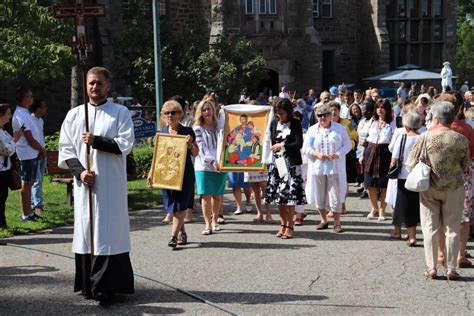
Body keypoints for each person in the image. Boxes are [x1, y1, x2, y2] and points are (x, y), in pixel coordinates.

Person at [58, 67, 135, 302]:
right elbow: (66, 149)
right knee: (88, 230)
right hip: (86, 186)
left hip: (111, 185)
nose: (94, 87)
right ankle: (89, 285)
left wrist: (96, 141)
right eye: (91, 83)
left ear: (108, 86)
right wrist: (80, 173)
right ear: (86, 86)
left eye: (99, 83)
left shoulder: (120, 112)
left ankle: (109, 287)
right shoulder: (74, 115)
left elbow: (125, 144)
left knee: (110, 231)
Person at [408, 101, 469, 280]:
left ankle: (431, 267)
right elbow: (465, 165)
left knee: (430, 227)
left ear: (435, 117)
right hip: (454, 187)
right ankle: (451, 268)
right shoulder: (460, 138)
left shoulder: (425, 137)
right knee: (452, 227)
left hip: (429, 187)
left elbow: (411, 163)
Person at [148, 100, 198, 249]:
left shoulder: (187, 132)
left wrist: (190, 144)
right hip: (166, 175)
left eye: (173, 112)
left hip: (185, 175)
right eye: (167, 113)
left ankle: (173, 236)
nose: (170, 115)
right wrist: (151, 173)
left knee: (181, 205)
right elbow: (157, 157)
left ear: (180, 115)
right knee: (173, 206)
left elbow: (196, 152)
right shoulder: (161, 134)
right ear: (163, 116)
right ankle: (182, 233)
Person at [304, 104, 351, 233]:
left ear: (330, 116)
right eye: (319, 115)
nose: (322, 118)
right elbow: (306, 147)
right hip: (318, 168)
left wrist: (337, 154)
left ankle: (337, 222)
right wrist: (317, 154)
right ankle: (323, 220)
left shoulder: (340, 129)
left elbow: (348, 145)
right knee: (320, 194)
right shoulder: (312, 130)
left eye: (325, 115)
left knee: (335, 195)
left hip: (335, 167)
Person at [265, 98, 306, 239]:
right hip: (277, 165)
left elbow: (299, 143)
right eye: (277, 113)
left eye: (282, 113)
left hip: (292, 165)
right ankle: (282, 225)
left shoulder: (295, 123)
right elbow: (270, 143)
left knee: (290, 198)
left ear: (288, 112)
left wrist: (282, 145)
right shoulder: (273, 123)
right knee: (280, 198)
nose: (279, 116)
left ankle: (290, 225)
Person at [193, 98, 227, 235]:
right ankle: (207, 223)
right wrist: (212, 162)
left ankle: (215, 220)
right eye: (204, 109)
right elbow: (201, 148)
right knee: (205, 195)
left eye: (209, 109)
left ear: (214, 110)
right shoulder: (197, 128)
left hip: (220, 163)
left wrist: (221, 161)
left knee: (217, 195)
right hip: (203, 165)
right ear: (200, 112)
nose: (207, 112)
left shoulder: (221, 126)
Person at [12, 86, 45, 222]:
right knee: (26, 184)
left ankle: (29, 212)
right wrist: (41, 149)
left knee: (30, 183)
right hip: (27, 154)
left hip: (32, 153)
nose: (32, 98)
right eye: (30, 96)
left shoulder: (25, 113)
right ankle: (26, 214)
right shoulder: (20, 115)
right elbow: (29, 138)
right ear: (25, 98)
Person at [389, 112, 422, 245]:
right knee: (420, 205)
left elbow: (394, 159)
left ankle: (412, 236)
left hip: (404, 176)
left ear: (406, 125)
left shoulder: (402, 138)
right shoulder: (423, 138)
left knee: (406, 205)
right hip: (420, 176)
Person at [360, 99, 396, 221]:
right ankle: (374, 207)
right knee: (370, 182)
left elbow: (394, 141)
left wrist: (394, 158)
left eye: (383, 107)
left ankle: (382, 210)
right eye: (378, 107)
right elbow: (365, 140)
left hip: (385, 153)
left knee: (383, 183)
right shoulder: (371, 122)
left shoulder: (392, 124)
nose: (380, 110)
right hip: (371, 151)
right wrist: (362, 155)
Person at [0, 103, 23, 229]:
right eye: (8, 114)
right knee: (0, 196)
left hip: (4, 168)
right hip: (0, 170)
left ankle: (2, 222)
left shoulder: (3, 130)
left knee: (3, 196)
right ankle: (1, 223)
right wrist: (15, 139)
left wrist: (14, 139)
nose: (9, 117)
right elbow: (7, 150)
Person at [29, 99, 47, 215]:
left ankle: (33, 202)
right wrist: (39, 149)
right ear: (38, 108)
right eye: (44, 107)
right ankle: (37, 205)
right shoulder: (30, 119)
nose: (46, 109)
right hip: (34, 153)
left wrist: (43, 150)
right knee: (36, 179)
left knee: (39, 180)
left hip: (42, 152)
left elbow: (41, 136)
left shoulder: (41, 121)